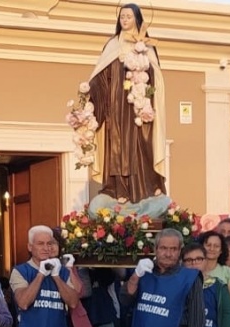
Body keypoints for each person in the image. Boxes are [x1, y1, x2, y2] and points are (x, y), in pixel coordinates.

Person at [87, 3, 167, 209]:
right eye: (122, 16)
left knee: (141, 144)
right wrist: (89, 93)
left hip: (139, 108)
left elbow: (156, 77)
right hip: (116, 106)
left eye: (129, 16)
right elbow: (100, 76)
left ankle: (148, 185)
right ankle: (118, 188)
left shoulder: (146, 45)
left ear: (137, 19)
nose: (124, 20)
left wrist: (144, 80)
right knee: (117, 146)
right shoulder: (112, 44)